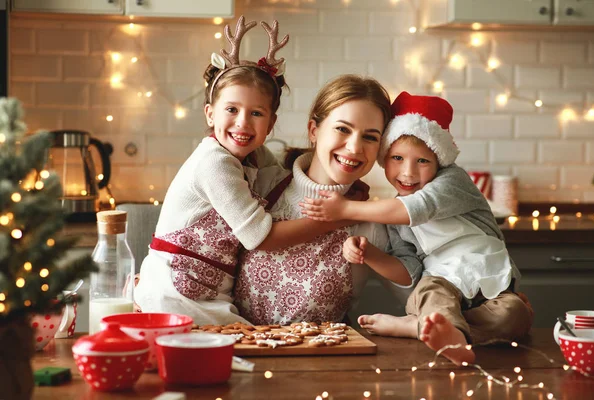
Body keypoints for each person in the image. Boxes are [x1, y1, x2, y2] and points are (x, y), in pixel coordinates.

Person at [134, 17, 348, 325]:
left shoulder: (254, 156)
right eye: (232, 110)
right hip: (175, 294)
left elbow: (284, 186)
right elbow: (261, 238)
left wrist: (336, 184)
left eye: (256, 113)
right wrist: (340, 215)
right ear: (210, 114)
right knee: (249, 360)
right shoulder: (214, 163)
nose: (243, 123)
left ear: (271, 124)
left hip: (205, 292)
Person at [299, 91, 533, 365]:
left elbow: (419, 207)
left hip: (489, 276)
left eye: (422, 161)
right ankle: (448, 335)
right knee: (431, 296)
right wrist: (370, 254)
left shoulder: (453, 181)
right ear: (384, 159)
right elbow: (410, 271)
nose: (408, 172)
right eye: (397, 158)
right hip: (440, 281)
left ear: (439, 161)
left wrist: (344, 209)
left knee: (515, 315)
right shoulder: (394, 218)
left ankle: (417, 327)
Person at [233, 74, 412, 325]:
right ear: (314, 130)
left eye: (370, 137)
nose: (354, 148)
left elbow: (414, 297)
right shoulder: (260, 186)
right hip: (239, 355)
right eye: (342, 129)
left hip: (319, 361)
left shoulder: (369, 225)